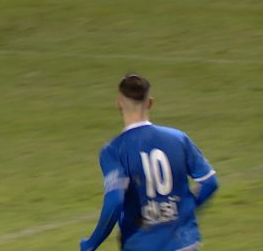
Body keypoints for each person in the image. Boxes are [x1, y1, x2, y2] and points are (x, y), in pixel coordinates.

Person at [80, 74, 219, 251]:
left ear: (119, 103)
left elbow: (115, 202)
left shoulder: (114, 150)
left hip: (142, 244)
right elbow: (210, 182)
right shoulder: (178, 138)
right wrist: (186, 211)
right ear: (150, 102)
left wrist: (92, 243)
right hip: (185, 243)